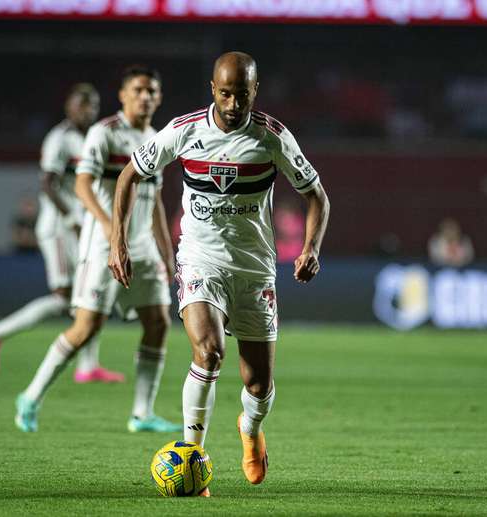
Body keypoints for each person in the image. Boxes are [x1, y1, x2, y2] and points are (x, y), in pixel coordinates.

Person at [109, 52, 330, 492]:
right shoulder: (184, 130)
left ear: (255, 92)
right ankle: (194, 459)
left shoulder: (272, 138)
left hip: (254, 269)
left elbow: (317, 197)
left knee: (259, 384)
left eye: (242, 94)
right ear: (213, 88)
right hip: (199, 260)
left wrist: (310, 248)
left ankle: (250, 430)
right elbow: (128, 176)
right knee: (208, 353)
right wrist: (117, 241)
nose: (233, 103)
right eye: (225, 93)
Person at [14, 66, 181, 435]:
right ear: (123, 95)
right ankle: (30, 396)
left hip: (143, 249)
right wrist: (111, 231)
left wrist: (166, 252)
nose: (146, 97)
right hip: (102, 246)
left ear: (160, 97)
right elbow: (83, 187)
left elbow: (153, 200)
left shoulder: (157, 137)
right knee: (86, 328)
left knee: (158, 323)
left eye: (152, 91)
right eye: (138, 90)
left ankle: (142, 413)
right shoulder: (103, 133)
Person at [0, 84, 123, 383]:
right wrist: (71, 217)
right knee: (63, 297)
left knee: (86, 293)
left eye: (92, 105)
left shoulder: (94, 136)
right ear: (68, 107)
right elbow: (47, 183)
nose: (88, 110)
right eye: (82, 105)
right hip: (58, 228)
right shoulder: (59, 139)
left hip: (80, 226)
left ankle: (87, 366)